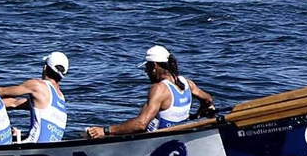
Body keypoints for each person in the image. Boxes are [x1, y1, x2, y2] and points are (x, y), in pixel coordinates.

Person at [85, 46, 215, 139]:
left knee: (87, 135)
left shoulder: (159, 89)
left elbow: (141, 124)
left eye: (146, 67)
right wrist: (201, 112)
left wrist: (106, 131)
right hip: (176, 135)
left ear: (154, 66)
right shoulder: (187, 83)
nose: (146, 72)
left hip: (156, 141)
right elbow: (208, 99)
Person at [0, 52, 70, 143]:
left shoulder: (38, 85)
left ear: (45, 67)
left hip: (33, 145)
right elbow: (14, 103)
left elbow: (2, 92)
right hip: (48, 147)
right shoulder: (61, 98)